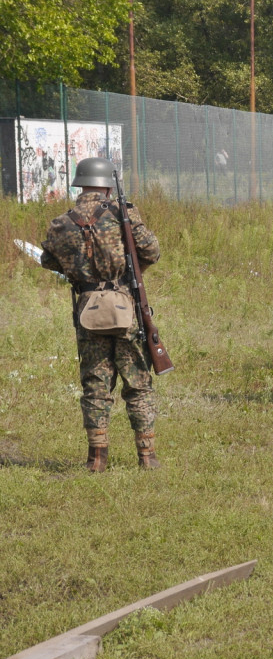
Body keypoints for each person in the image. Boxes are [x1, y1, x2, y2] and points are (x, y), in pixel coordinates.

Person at [40, 157, 162, 471]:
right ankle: (147, 457)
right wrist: (129, 277)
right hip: (126, 311)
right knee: (138, 383)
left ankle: (96, 459)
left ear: (80, 183)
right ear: (107, 183)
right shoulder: (124, 214)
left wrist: (82, 271)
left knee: (95, 385)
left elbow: (48, 261)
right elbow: (152, 252)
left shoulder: (61, 223)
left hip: (88, 312)